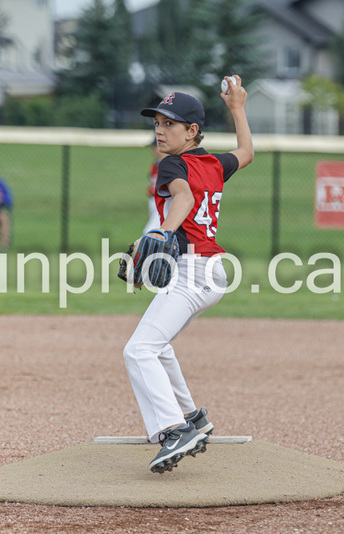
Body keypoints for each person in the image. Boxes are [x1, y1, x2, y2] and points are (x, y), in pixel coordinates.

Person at [124, 78, 254, 473]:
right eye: (157, 123)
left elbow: (182, 196)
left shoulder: (172, 164)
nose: (160, 130)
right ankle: (192, 417)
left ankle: (176, 430)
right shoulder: (214, 163)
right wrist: (237, 108)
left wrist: (161, 233)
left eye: (170, 124)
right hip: (212, 273)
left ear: (192, 131)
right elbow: (246, 153)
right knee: (158, 345)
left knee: (138, 351)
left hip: (193, 271)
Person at [142, 139, 165, 235]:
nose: (152, 150)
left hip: (161, 199)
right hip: (153, 199)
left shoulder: (168, 165)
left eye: (154, 147)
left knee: (150, 230)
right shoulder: (155, 164)